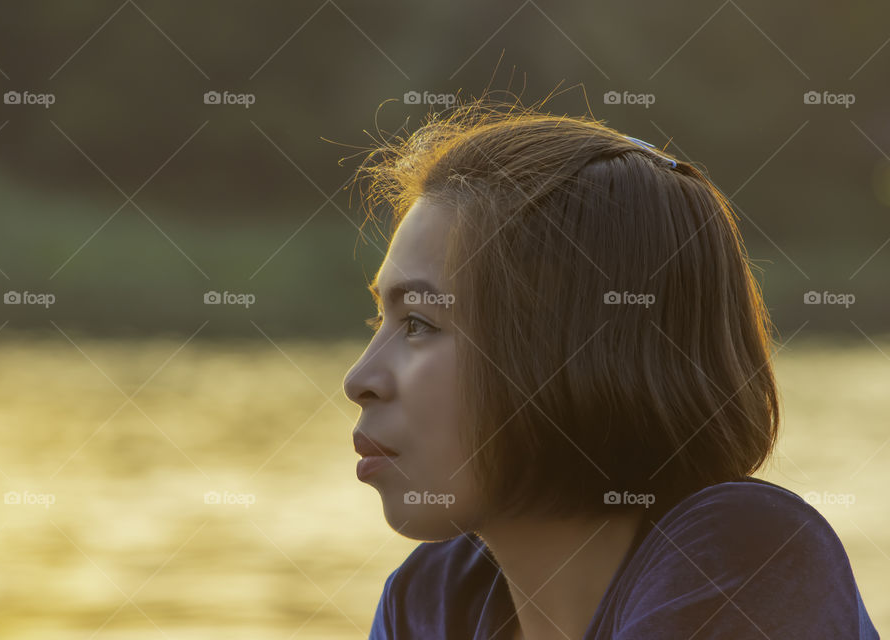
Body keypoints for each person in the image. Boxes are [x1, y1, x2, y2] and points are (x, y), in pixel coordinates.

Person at [341, 98, 880, 640]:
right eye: (378, 320)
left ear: (568, 348)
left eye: (418, 324)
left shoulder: (749, 551)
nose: (358, 380)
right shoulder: (432, 598)